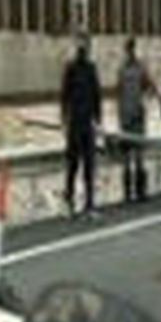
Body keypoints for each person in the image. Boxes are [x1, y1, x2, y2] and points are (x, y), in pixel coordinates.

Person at [61, 33, 101, 218]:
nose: (82, 47)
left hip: (87, 124)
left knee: (89, 167)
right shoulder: (70, 68)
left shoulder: (91, 69)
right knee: (73, 165)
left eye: (85, 43)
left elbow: (96, 95)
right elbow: (64, 96)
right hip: (75, 123)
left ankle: (89, 204)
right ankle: (69, 201)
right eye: (80, 43)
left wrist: (98, 120)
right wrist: (64, 119)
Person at [118, 37, 156, 203]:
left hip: (138, 116)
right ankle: (128, 193)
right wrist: (119, 113)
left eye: (132, 48)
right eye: (128, 49)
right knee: (127, 157)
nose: (130, 52)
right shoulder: (122, 69)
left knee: (139, 155)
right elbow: (118, 91)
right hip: (126, 116)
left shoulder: (141, 68)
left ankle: (140, 192)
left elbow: (151, 87)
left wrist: (144, 102)